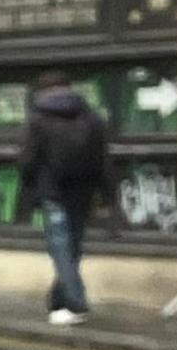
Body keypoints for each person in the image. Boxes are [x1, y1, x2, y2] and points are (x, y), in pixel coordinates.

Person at [19, 70, 110, 325]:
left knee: (60, 249)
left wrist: (29, 189)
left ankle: (76, 303)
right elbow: (103, 160)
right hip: (83, 193)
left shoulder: (37, 119)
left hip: (53, 193)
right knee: (72, 249)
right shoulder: (92, 118)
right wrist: (105, 196)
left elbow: (28, 160)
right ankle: (57, 300)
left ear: (42, 92)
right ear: (70, 88)